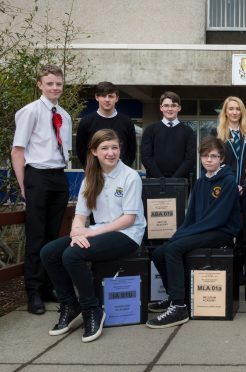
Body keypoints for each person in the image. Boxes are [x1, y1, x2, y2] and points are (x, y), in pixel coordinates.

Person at [40, 129, 146, 343]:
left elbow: (129, 219)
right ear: (94, 151)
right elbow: (80, 215)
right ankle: (70, 305)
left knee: (72, 255)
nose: (111, 152)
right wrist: (76, 232)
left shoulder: (130, 176)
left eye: (114, 147)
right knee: (48, 252)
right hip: (99, 232)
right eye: (105, 148)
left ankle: (92, 310)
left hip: (127, 234)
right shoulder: (90, 177)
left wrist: (91, 231)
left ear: (120, 149)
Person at [146, 136, 240, 328]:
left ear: (221, 158)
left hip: (221, 232)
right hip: (202, 229)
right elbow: (192, 217)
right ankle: (175, 296)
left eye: (213, 156)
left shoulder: (228, 181)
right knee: (159, 252)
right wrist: (180, 233)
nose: (208, 160)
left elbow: (218, 218)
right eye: (205, 156)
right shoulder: (200, 181)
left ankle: (179, 308)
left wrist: (183, 236)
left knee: (173, 249)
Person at [11, 64, 72, 315]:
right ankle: (33, 292)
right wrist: (24, 186)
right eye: (50, 83)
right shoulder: (30, 112)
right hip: (37, 176)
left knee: (53, 237)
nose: (55, 88)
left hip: (59, 177)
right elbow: (18, 151)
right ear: (40, 84)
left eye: (58, 83)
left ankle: (48, 286)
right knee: (36, 237)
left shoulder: (65, 116)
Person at [76, 81, 136, 168]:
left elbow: (131, 150)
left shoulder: (127, 122)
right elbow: (81, 150)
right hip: (94, 173)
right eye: (103, 96)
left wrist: (123, 170)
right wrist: (91, 169)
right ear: (97, 97)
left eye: (111, 96)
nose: (107, 100)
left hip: (120, 174)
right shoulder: (86, 122)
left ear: (117, 98)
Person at [141, 91, 196, 178]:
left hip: (180, 183)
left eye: (173, 105)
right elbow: (146, 157)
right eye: (166, 105)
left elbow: (190, 159)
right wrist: (161, 179)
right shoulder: (150, 130)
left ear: (179, 108)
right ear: (161, 108)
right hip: (155, 181)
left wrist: (174, 179)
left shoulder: (188, 131)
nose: (170, 109)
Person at [215, 96, 246, 190]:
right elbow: (215, 160)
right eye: (231, 109)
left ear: (242, 112)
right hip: (223, 184)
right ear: (225, 112)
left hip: (245, 185)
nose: (234, 113)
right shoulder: (217, 133)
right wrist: (230, 183)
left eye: (238, 109)